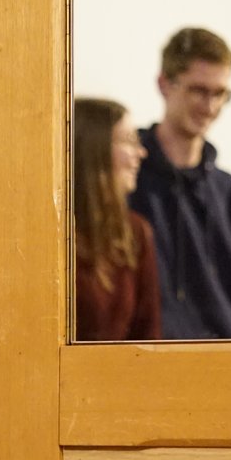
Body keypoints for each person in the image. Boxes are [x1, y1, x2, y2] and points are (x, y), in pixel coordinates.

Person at [130, 26, 231, 338]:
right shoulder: (129, 180)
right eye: (198, 90)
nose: (210, 107)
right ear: (164, 84)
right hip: (156, 361)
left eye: (220, 94)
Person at [74, 98, 160, 340]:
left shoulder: (135, 231)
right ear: (93, 148)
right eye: (129, 141)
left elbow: (148, 336)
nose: (141, 153)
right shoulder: (50, 231)